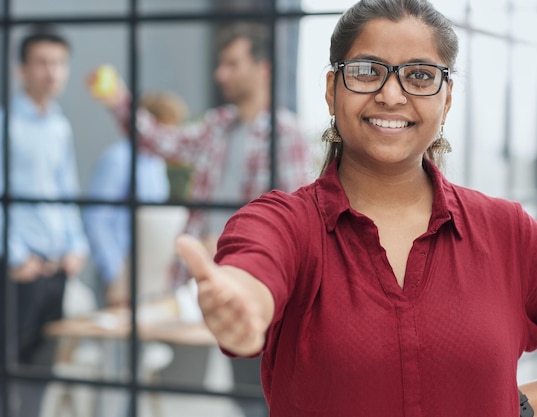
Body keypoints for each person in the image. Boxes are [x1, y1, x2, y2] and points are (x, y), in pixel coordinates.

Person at [174, 0, 537, 416]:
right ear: (332, 89)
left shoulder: (506, 231)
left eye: (420, 76)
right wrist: (243, 302)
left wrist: (517, 406)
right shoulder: (286, 223)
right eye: (368, 71)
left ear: (446, 99)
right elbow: (252, 270)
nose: (392, 95)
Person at [90, 22, 313, 417]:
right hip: (200, 284)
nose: (220, 74)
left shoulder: (286, 135)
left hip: (254, 284)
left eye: (231, 63)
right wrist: (118, 99)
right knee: (205, 390)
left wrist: (237, 245)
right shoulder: (218, 126)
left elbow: (297, 222)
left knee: (259, 392)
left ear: (262, 69)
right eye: (220, 64)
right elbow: (160, 140)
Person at [3, 25, 89, 417]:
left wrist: (77, 246)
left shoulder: (59, 124)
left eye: (58, 63)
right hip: (20, 270)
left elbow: (65, 190)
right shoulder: (6, 123)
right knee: (9, 370)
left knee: (42, 372)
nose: (51, 72)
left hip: (57, 267)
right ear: (22, 69)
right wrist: (15, 256)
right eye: (41, 62)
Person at [83, 91, 189, 307]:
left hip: (147, 271)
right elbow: (96, 220)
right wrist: (114, 274)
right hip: (120, 271)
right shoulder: (119, 159)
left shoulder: (155, 163)